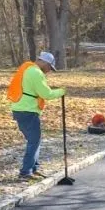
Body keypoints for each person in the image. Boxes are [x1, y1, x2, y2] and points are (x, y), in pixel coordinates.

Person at [7, 51, 65, 181]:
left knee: (34, 140)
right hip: (28, 111)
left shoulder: (28, 69)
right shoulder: (36, 73)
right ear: (44, 62)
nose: (49, 70)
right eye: (49, 67)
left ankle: (34, 168)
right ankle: (25, 172)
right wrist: (62, 91)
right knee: (34, 141)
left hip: (19, 109)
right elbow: (46, 94)